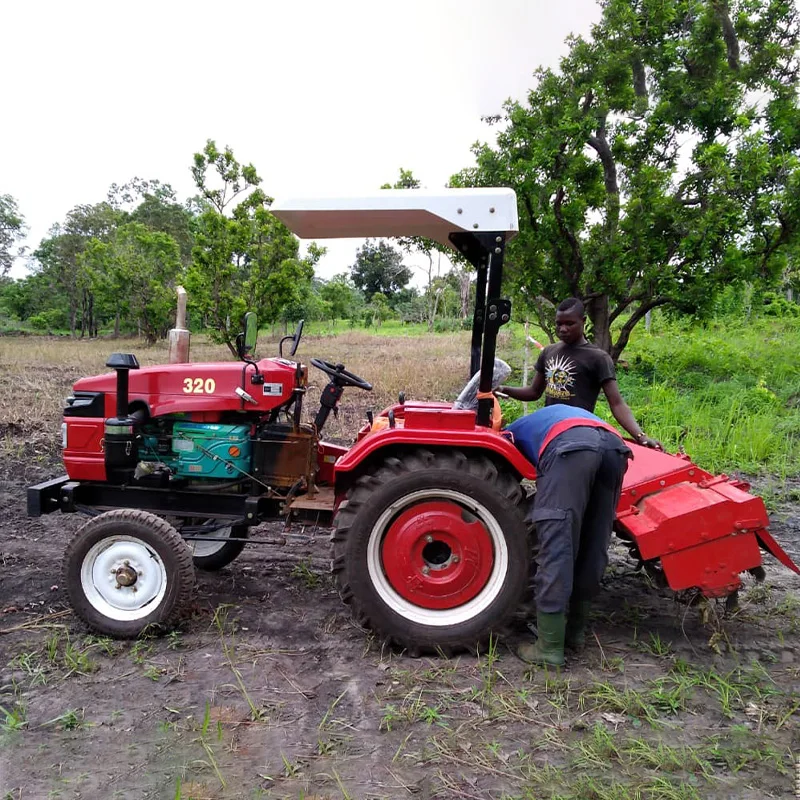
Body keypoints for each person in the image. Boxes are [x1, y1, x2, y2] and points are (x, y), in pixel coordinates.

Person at [505, 404, 632, 666]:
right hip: (613, 446)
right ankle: (575, 633)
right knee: (594, 539)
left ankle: (549, 647)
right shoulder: (544, 417)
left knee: (557, 540)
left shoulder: (510, 434)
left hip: (570, 448)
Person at [499, 298, 661, 449]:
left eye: (569, 323)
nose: (563, 329)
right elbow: (534, 392)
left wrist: (640, 436)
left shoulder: (598, 358)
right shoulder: (549, 352)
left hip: (577, 434)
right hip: (549, 431)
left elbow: (616, 403)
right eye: (559, 324)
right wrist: (503, 389)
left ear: (583, 321)